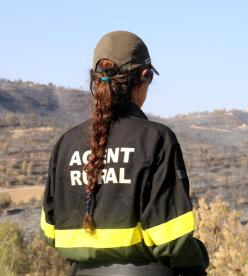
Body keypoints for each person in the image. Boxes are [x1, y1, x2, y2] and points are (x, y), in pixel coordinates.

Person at [40, 31, 209, 276]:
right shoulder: (157, 139)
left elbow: (49, 231)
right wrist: (200, 255)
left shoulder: (65, 144)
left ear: (96, 81)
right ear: (143, 77)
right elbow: (172, 243)